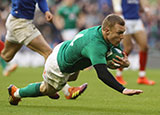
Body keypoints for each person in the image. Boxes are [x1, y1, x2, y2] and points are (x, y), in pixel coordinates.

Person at [8, 14, 143, 106]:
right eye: (119, 33)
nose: (122, 37)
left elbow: (115, 55)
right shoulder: (95, 45)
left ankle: (63, 88)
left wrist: (125, 63)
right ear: (107, 31)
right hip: (58, 66)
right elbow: (102, 73)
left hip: (63, 48)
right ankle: (16, 92)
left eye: (123, 32)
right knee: (46, 89)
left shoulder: (105, 34)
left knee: (72, 78)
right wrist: (122, 89)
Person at [1, 0, 87, 100]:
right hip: (21, 24)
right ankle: (65, 90)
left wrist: (46, 11)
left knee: (6, 56)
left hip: (15, 21)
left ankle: (50, 86)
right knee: (48, 53)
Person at [112, 0, 155, 85]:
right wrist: (120, 19)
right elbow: (117, 6)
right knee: (128, 48)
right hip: (125, 20)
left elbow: (142, 5)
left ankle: (142, 77)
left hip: (136, 20)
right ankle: (118, 76)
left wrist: (146, 10)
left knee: (144, 47)